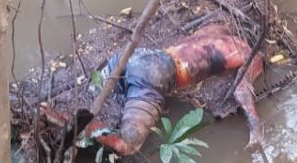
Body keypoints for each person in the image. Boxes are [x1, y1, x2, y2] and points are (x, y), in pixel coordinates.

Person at [83, 23, 264, 155]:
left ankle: (86, 94)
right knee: (127, 145)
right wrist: (255, 130)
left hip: (139, 56)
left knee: (97, 87)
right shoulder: (249, 54)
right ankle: (83, 126)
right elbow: (242, 91)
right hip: (157, 73)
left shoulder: (215, 29)